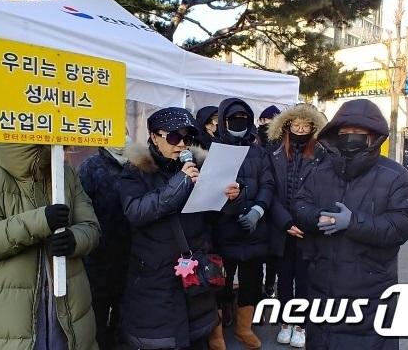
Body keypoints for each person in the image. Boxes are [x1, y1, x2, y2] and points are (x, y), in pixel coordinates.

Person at [294, 98, 408, 350]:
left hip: (371, 288)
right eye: (344, 133)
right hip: (322, 282)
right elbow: (300, 204)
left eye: (358, 133)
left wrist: (354, 222)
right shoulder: (319, 170)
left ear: (373, 136)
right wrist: (317, 215)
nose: (350, 137)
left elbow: (406, 221)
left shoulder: (393, 175)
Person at [119, 107, 242, 350]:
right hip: (155, 278)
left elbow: (214, 218)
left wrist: (232, 198)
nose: (181, 145)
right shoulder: (135, 171)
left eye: (187, 138)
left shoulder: (200, 167)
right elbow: (136, 212)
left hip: (195, 275)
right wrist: (180, 183)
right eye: (174, 137)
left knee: (197, 338)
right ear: (154, 136)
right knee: (163, 341)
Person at [0, 143, 101, 350]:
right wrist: (41, 220)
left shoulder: (65, 175)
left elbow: (91, 227)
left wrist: (74, 239)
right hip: (4, 317)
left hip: (68, 308)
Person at [210, 98, 275, 350]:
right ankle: (215, 333)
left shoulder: (259, 152)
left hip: (254, 232)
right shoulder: (212, 150)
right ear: (224, 121)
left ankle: (243, 329)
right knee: (219, 284)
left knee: (251, 281)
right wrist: (231, 205)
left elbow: (268, 184)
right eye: (234, 118)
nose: (239, 123)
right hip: (223, 230)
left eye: (243, 118)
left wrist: (258, 210)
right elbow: (209, 189)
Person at [265, 103, 327, 348]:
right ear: (287, 125)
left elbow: (323, 192)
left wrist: (306, 220)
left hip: (308, 229)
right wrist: (285, 222)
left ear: (313, 127)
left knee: (304, 280)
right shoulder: (274, 150)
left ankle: (301, 325)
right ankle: (285, 323)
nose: (300, 130)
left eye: (305, 125)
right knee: (283, 278)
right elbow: (269, 189)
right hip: (281, 228)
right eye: (295, 125)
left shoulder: (322, 153)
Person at [78, 135, 132, 350]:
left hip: (131, 254)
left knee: (125, 314)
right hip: (98, 257)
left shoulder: (137, 165)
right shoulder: (90, 167)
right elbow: (81, 211)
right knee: (97, 315)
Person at [256, 104, 281, 301]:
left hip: (276, 202)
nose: (266, 125)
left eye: (271, 122)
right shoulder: (254, 141)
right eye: (264, 121)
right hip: (257, 200)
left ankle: (270, 284)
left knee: (273, 253)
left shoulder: (282, 143)